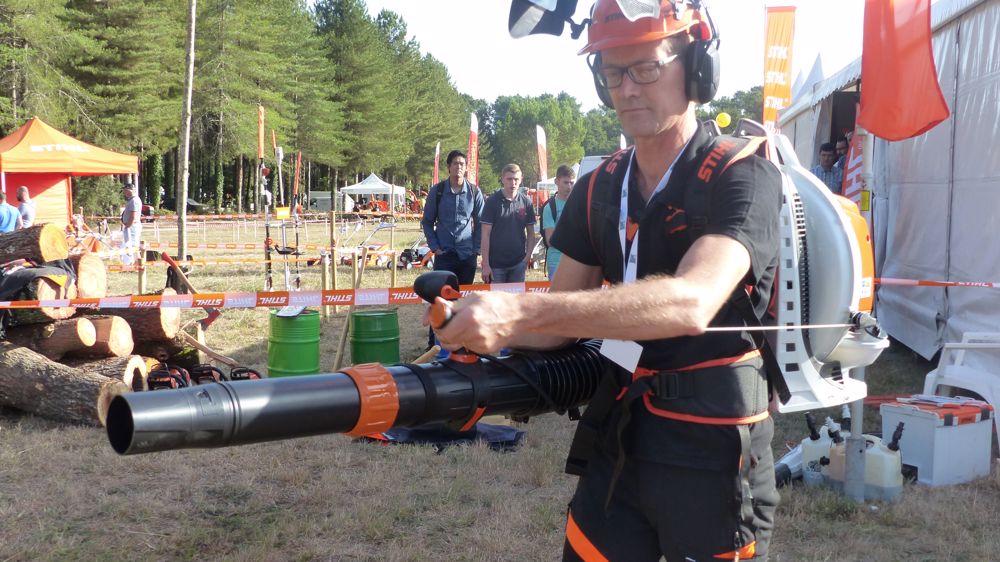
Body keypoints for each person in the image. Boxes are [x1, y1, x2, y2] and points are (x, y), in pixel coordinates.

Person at [429, 2, 782, 560]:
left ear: (695, 68)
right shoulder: (601, 186)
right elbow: (557, 323)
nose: (626, 88)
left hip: (713, 440)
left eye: (645, 67)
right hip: (622, 423)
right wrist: (483, 323)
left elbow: (694, 300)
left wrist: (522, 314)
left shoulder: (742, 172)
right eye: (611, 72)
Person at [421, 150, 484, 284]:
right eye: (455, 163)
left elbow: (481, 223)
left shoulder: (474, 192)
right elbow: (427, 222)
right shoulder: (437, 191)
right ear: (449, 167)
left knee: (464, 301)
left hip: (467, 255)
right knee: (444, 299)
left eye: (462, 164)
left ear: (466, 168)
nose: (459, 166)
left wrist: (476, 250)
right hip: (443, 255)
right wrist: (435, 248)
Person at [481, 163, 536, 283]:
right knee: (497, 302)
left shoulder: (527, 202)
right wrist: (486, 264)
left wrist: (526, 259)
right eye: (509, 179)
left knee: (516, 302)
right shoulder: (492, 202)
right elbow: (485, 235)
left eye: (516, 179)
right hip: (495, 265)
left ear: (521, 180)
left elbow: (531, 233)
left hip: (518, 264)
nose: (513, 183)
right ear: (502, 179)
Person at [540, 165, 576, 280]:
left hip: (577, 262)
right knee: (558, 298)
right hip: (557, 262)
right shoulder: (550, 207)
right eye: (566, 182)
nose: (569, 186)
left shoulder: (579, 204)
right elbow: (551, 240)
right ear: (556, 181)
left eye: (571, 183)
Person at [121, 183, 142, 265]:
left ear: (131, 190)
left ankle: (137, 263)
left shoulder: (134, 201)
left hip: (132, 227)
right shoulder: (132, 200)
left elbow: (133, 216)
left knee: (133, 245)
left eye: (126, 190)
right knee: (131, 245)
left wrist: (128, 226)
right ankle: (134, 263)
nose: (124, 192)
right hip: (131, 226)